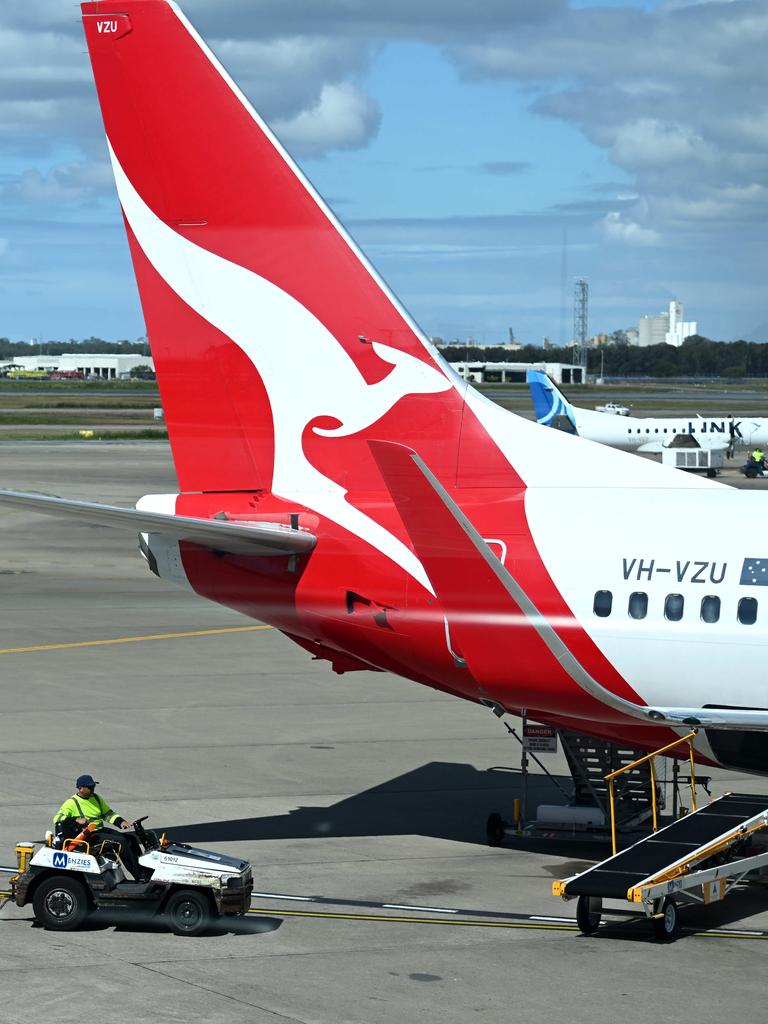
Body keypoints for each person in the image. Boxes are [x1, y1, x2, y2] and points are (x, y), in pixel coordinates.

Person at [53, 774, 145, 880]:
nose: (93, 789)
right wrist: (76, 820)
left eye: (93, 786)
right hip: (89, 836)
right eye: (90, 787)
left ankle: (144, 870)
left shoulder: (96, 798)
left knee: (131, 839)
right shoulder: (71, 803)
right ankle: (139, 876)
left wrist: (121, 822)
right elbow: (57, 818)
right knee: (121, 842)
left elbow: (107, 814)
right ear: (80, 788)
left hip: (100, 831)